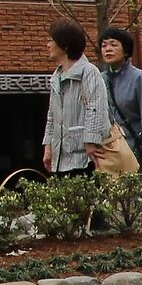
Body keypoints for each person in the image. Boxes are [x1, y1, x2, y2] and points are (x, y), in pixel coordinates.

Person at [40, 19, 112, 176]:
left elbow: (96, 107)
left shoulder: (88, 71)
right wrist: (48, 146)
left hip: (85, 157)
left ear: (65, 44)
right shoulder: (56, 76)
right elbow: (52, 116)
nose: (48, 45)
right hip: (61, 159)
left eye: (52, 40)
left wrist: (91, 141)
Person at [99, 28, 142, 171]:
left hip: (135, 147)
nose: (108, 49)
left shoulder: (139, 78)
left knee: (137, 191)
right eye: (104, 45)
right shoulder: (100, 79)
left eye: (113, 44)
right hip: (110, 151)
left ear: (126, 50)